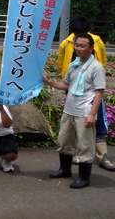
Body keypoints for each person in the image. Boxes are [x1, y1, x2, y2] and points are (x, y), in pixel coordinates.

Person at [44, 33, 106, 188]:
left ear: (91, 48)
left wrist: (92, 114)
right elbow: (66, 85)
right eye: (77, 45)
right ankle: (65, 169)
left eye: (83, 46)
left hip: (84, 111)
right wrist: (49, 82)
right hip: (69, 109)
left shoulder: (96, 67)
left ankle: (84, 177)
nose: (79, 48)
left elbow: (99, 93)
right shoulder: (74, 64)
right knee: (64, 140)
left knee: (85, 145)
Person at [56, 16, 113, 171]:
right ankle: (74, 157)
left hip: (91, 88)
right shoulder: (66, 43)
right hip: (73, 87)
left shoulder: (96, 41)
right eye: (76, 39)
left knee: (97, 120)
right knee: (73, 124)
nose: (79, 46)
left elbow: (102, 61)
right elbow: (62, 62)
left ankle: (102, 156)